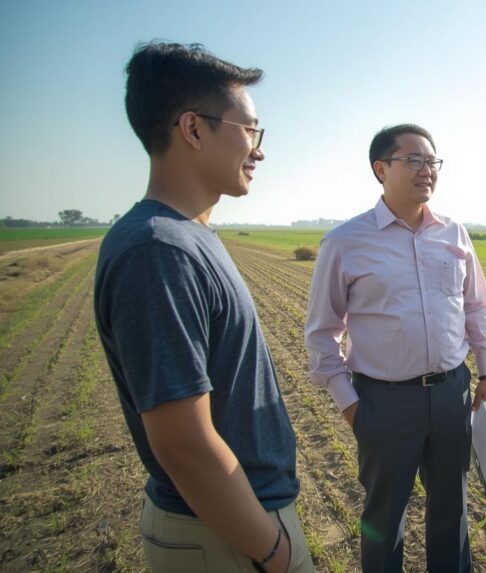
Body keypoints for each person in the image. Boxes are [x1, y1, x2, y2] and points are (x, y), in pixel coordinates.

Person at [94, 42, 312, 572]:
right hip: (227, 536)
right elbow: (184, 443)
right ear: (192, 129)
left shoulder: (189, 237)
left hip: (233, 524)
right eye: (250, 130)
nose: (259, 150)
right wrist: (272, 549)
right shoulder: (158, 251)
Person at [304, 124, 486, 572]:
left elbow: (476, 309)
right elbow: (321, 333)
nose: (426, 170)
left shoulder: (454, 233)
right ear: (381, 169)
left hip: (452, 395)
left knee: (452, 511)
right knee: (385, 517)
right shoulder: (344, 242)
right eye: (413, 160)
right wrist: (353, 407)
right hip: (384, 401)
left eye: (432, 161)